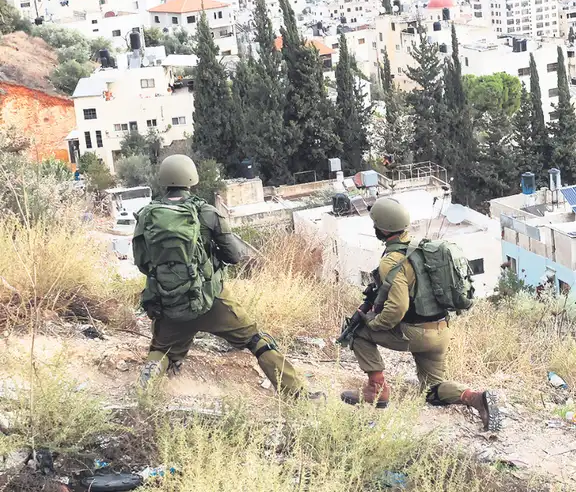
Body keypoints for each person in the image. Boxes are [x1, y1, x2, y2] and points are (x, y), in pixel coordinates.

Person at [132, 155, 321, 400]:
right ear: (191, 179)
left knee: (161, 351)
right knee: (256, 340)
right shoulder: (207, 212)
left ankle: (144, 392)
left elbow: (142, 263)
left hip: (169, 302)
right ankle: (297, 394)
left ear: (163, 179)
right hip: (212, 300)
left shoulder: (147, 216)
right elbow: (234, 255)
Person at [339, 197, 500, 432]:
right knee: (432, 390)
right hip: (441, 331)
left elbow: (397, 308)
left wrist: (374, 323)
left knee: (358, 331)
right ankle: (475, 398)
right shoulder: (422, 248)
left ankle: (376, 389)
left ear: (383, 228)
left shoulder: (392, 261)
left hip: (417, 333)